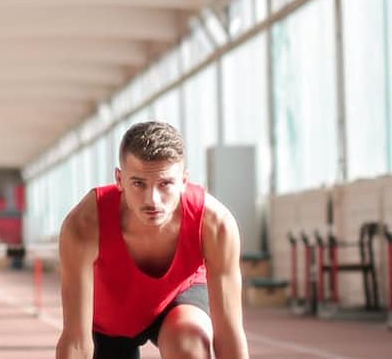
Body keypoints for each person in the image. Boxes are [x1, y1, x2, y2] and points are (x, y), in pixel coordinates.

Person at [55, 121, 249, 359]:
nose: (153, 200)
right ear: (119, 179)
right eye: (138, 183)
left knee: (189, 344)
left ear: (184, 181)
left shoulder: (215, 225)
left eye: (165, 183)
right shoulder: (84, 225)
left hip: (177, 304)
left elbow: (229, 334)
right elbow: (76, 341)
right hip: (109, 321)